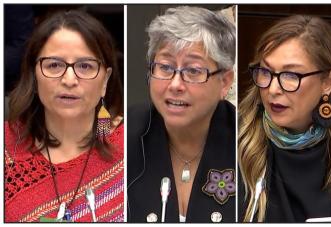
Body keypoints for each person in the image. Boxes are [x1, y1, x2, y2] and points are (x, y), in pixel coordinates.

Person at [5, 10, 124, 222]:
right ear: (34, 75)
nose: (69, 80)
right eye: (54, 65)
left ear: (105, 81)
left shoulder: (132, 146)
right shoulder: (6, 148)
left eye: (85, 66)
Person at [127, 6, 236, 223]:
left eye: (193, 70)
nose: (175, 84)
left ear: (225, 82)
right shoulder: (125, 135)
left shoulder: (248, 143)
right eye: (165, 67)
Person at [238, 15, 331, 222]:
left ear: (328, 82)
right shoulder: (235, 142)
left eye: (291, 75)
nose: (273, 89)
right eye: (266, 72)